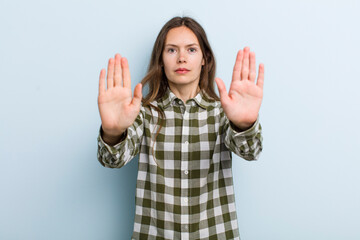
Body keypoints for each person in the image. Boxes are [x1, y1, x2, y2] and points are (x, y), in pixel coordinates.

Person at [97, 16, 264, 240]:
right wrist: (113, 132)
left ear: (205, 58)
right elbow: (112, 159)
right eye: (172, 50)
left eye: (192, 50)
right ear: (161, 59)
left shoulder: (223, 112)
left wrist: (244, 124)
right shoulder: (143, 113)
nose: (182, 58)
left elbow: (251, 151)